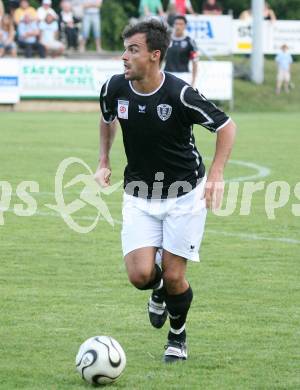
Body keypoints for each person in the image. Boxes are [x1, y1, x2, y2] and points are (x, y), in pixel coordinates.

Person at [95, 19, 236, 363]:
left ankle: (177, 336)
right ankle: (155, 290)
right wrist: (103, 159)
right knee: (141, 275)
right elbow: (106, 117)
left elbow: (226, 126)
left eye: (133, 49)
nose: (124, 57)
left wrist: (216, 173)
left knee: (175, 275)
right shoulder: (114, 88)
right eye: (125, 48)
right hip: (139, 194)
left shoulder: (179, 93)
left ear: (154, 55)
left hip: (185, 194)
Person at [164, 15, 198, 88]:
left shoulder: (190, 42)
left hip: (183, 75)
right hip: (167, 74)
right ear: (173, 25)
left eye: (181, 24)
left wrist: (193, 80)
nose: (178, 26)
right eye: (176, 24)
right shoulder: (166, 40)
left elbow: (195, 62)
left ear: (185, 26)